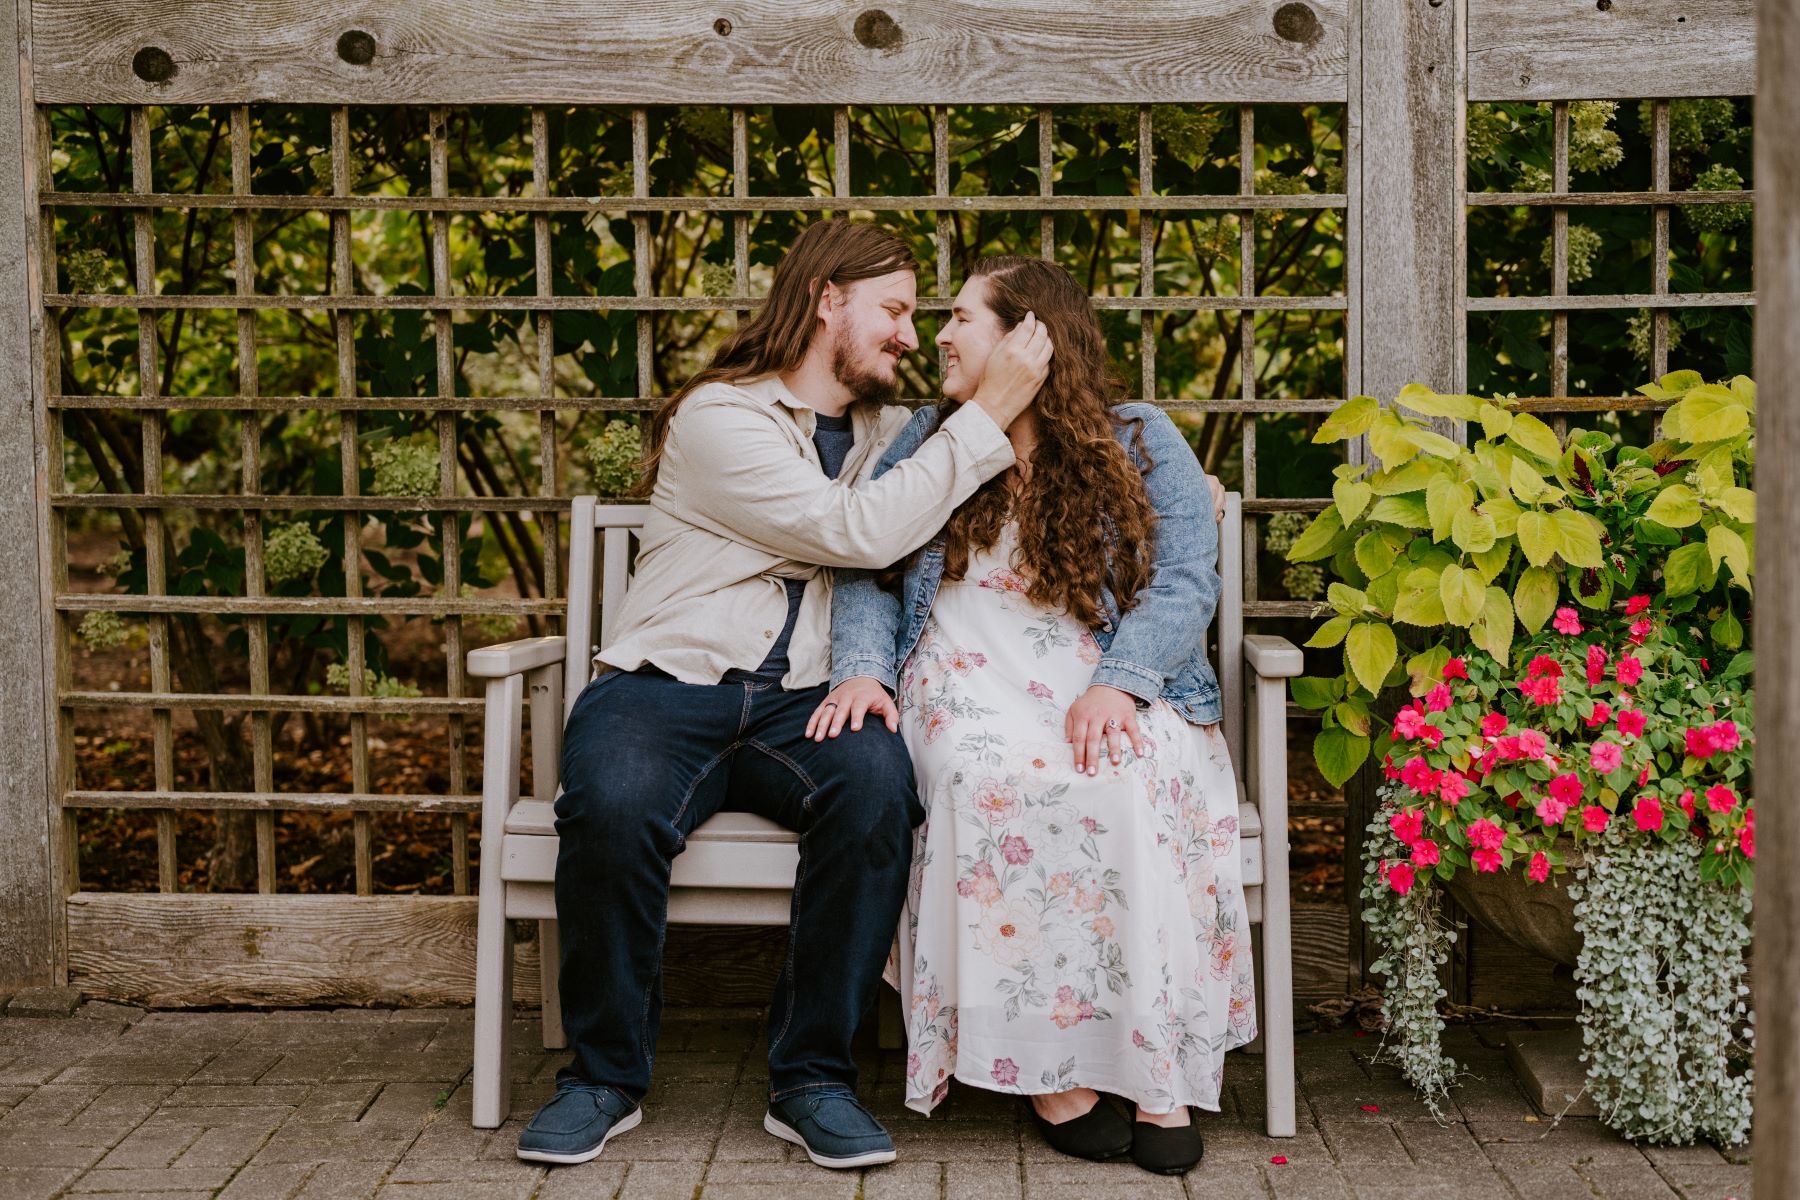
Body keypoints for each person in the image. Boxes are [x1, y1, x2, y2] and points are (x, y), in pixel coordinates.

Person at [517, 220, 1053, 1168]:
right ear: (825, 300)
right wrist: (964, 438)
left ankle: (812, 1079)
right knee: (612, 802)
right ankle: (603, 1075)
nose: (907, 333)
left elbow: (995, 488)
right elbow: (855, 532)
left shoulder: (903, 435)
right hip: (666, 685)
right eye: (892, 309)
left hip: (808, 700)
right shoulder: (723, 416)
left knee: (879, 790)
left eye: (918, 314)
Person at [811, 256, 1255, 1176]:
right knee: (990, 785)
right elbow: (869, 565)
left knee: (1125, 782)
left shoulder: (1139, 436)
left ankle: (1153, 1070)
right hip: (966, 674)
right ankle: (1051, 1073)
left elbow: (1184, 576)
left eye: (961, 318)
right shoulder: (930, 436)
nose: (937, 333)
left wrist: (1121, 682)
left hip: (1106, 672)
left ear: (1027, 337)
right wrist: (862, 672)